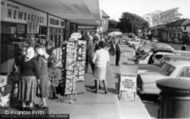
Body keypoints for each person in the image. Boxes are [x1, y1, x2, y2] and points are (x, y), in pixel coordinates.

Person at [35, 39, 50, 107]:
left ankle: (44, 103)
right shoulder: (45, 58)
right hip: (45, 74)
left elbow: (38, 68)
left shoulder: (40, 59)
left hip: (41, 75)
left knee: (42, 89)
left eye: (37, 50)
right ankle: (42, 102)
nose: (36, 51)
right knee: (43, 89)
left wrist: (37, 77)